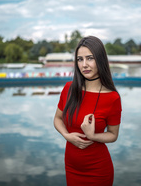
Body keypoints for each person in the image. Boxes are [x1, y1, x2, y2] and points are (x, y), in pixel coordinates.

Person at [53, 36, 122, 186]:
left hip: (98, 170)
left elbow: (113, 135)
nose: (84, 65)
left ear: (100, 60)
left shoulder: (112, 98)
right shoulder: (68, 89)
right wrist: (66, 135)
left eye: (90, 58)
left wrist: (93, 135)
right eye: (80, 59)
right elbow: (57, 119)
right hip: (71, 166)